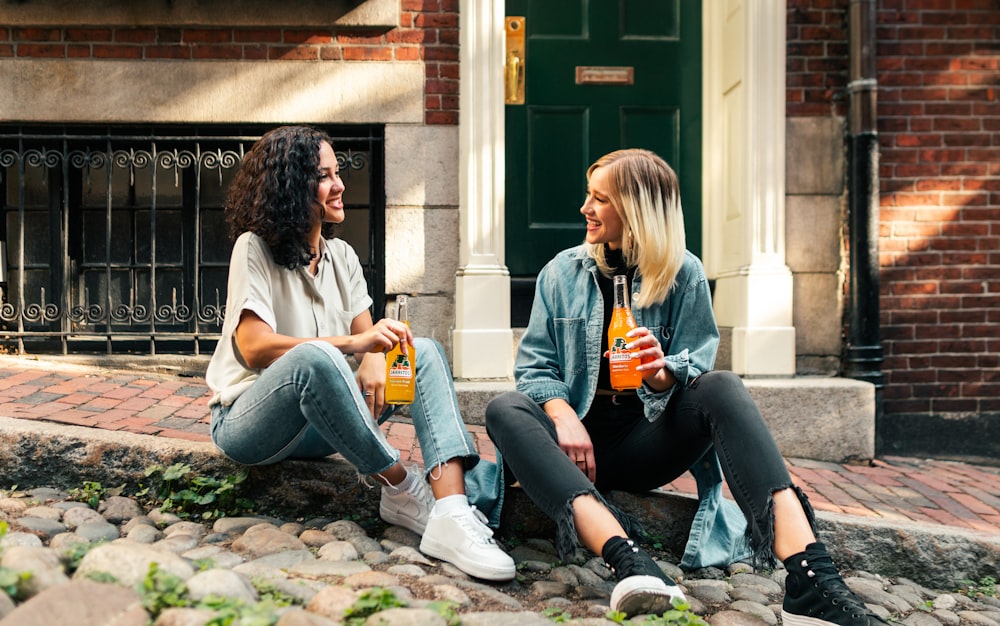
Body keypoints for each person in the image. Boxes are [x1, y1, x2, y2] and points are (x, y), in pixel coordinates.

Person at [485, 148, 888, 624]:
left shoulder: (684, 274)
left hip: (646, 444)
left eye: (599, 199)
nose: (585, 209)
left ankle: (811, 578)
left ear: (636, 210)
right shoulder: (560, 272)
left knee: (722, 385)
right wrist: (561, 411)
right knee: (504, 408)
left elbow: (698, 365)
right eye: (587, 196)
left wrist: (659, 372)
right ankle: (632, 562)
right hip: (570, 449)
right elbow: (533, 367)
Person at [205, 125, 515, 582]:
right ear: (291, 187)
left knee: (422, 349)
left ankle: (450, 510)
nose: (340, 184)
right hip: (250, 424)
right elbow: (254, 349)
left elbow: (373, 342)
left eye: (338, 172)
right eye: (325, 176)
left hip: (329, 422)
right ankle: (400, 485)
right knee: (320, 358)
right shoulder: (254, 248)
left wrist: (372, 355)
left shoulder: (343, 256)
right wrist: (355, 347)